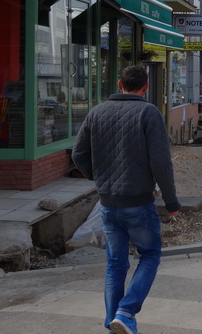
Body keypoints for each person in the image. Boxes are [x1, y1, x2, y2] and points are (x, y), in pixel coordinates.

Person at [72, 66, 181, 334]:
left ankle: (114, 326)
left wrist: (97, 178)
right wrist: (171, 202)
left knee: (115, 264)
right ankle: (127, 311)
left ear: (120, 84)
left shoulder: (97, 112)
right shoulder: (148, 112)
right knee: (150, 254)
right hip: (138, 203)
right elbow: (161, 163)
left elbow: (78, 154)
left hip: (108, 204)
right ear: (145, 88)